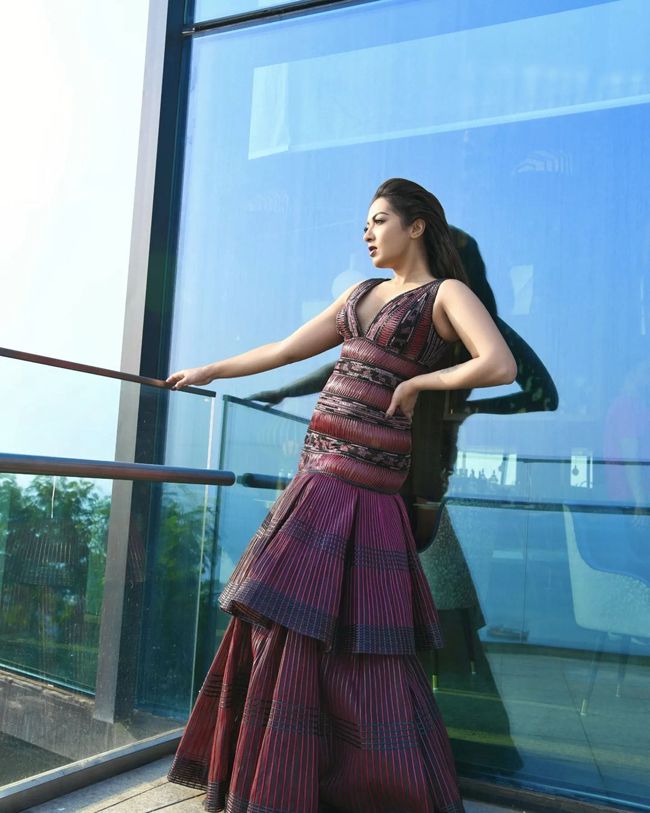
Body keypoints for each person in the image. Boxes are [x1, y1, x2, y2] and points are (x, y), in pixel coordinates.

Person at [165, 178, 517, 813]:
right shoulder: (357, 296)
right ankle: (280, 778)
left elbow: (499, 364)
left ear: (416, 226)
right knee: (286, 617)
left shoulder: (446, 294)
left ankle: (348, 785)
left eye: (379, 220)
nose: (367, 232)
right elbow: (283, 350)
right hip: (318, 472)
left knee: (361, 639)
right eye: (365, 222)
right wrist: (209, 370)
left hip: (370, 483)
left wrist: (422, 383)